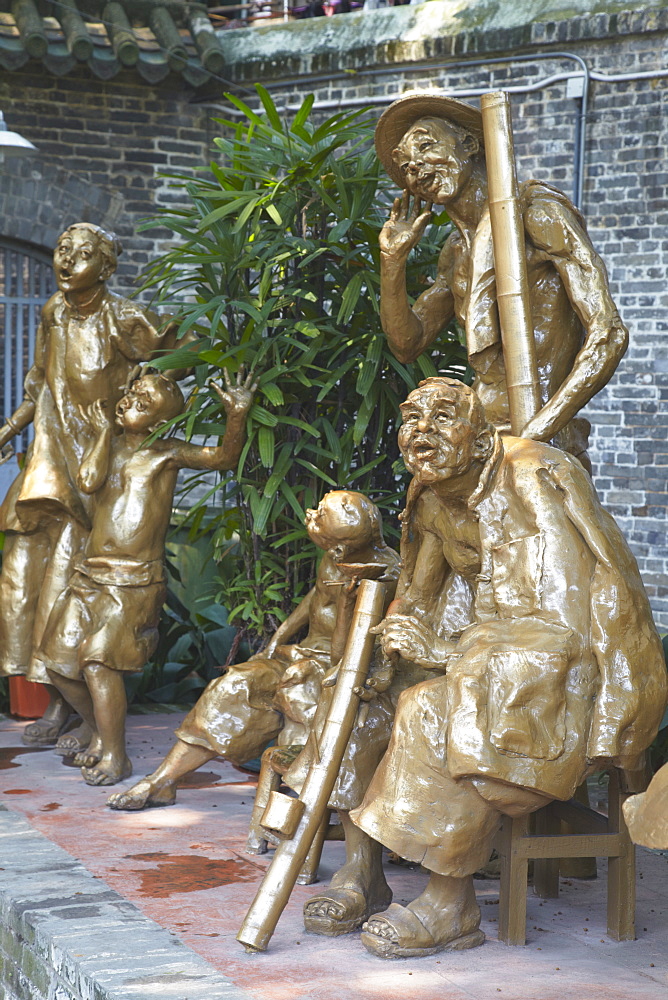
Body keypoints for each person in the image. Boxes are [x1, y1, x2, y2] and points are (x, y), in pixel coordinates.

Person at [348, 377, 666, 958]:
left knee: (436, 703)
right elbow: (418, 594)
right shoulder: (432, 492)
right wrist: (386, 647)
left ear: (480, 437)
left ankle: (451, 903)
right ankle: (361, 869)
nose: (423, 431)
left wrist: (447, 653)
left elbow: (563, 625)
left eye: (443, 417)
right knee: (369, 697)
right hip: (492, 657)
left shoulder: (534, 476)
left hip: (566, 670)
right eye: (412, 418)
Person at [0, 223, 190, 751]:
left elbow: (189, 346)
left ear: (105, 268)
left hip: (98, 468)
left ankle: (73, 709)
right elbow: (40, 382)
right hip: (50, 460)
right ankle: (57, 694)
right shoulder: (52, 312)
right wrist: (11, 428)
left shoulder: (124, 318)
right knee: (24, 574)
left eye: (83, 255)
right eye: (63, 250)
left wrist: (147, 413)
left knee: (70, 582)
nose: (67, 261)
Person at [375, 93, 629, 467]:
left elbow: (608, 333)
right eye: (406, 165)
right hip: (479, 438)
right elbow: (406, 343)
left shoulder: (537, 215)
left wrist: (537, 432)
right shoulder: (456, 252)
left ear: (470, 144)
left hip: (540, 431)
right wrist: (392, 262)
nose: (416, 167)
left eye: (427, 146)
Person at [107, 489, 400, 806]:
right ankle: (161, 781)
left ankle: (301, 811)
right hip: (299, 654)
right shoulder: (335, 556)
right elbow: (315, 599)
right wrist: (278, 640)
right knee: (232, 686)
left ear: (342, 543)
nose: (312, 514)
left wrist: (346, 604)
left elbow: (347, 656)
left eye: (322, 514)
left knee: (298, 693)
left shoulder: (385, 575)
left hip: (338, 671)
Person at [37, 370, 255, 786]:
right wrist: (103, 431)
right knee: (59, 663)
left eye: (143, 401)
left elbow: (223, 459)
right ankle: (97, 728)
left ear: (160, 422)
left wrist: (236, 416)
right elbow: (87, 480)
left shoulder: (166, 453)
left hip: (134, 582)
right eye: (130, 394)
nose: (129, 401)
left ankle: (115, 756)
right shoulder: (112, 445)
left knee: (98, 662)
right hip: (90, 574)